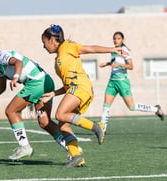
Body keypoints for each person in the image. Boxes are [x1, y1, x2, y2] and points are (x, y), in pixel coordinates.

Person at [0, 40, 78, 163]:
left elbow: (18, 62)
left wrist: (16, 77)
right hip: (45, 81)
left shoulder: (2, 56)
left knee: (11, 111)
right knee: (45, 122)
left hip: (36, 83)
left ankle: (25, 147)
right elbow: (1, 87)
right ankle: (73, 150)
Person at [40, 24, 126, 167]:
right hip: (76, 90)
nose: (44, 46)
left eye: (44, 42)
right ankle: (77, 157)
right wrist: (54, 94)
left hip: (81, 88)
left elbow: (90, 48)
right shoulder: (58, 58)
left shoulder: (68, 46)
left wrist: (111, 49)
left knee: (60, 114)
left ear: (51, 40)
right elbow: (68, 84)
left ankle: (95, 126)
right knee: (63, 126)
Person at [99, 31, 164, 133]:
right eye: (114, 38)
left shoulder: (124, 51)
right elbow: (114, 61)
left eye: (118, 38)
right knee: (106, 105)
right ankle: (102, 128)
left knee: (131, 107)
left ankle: (156, 109)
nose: (116, 40)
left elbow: (131, 66)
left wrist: (119, 65)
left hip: (122, 81)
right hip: (112, 81)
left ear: (123, 40)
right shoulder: (113, 50)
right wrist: (107, 64)